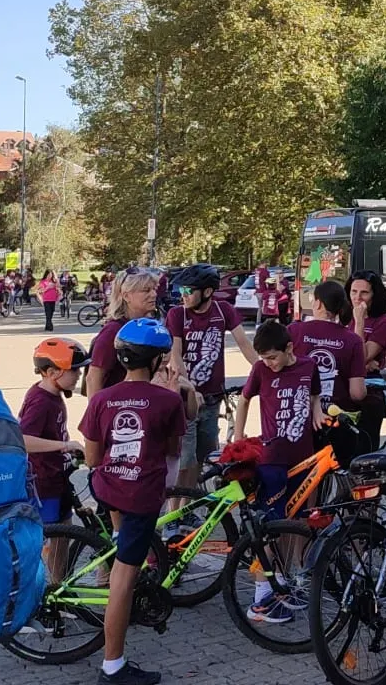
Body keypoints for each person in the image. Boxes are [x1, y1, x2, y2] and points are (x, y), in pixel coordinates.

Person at [80, 317, 191, 685]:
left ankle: (117, 537)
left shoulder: (101, 399)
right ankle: (112, 666)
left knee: (125, 552)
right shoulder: (167, 400)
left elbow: (92, 458)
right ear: (157, 359)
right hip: (142, 494)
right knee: (122, 582)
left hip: (108, 488)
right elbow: (173, 450)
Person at [232, 319, 318, 626]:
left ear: (289, 348)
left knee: (295, 523)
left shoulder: (308, 367)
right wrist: (238, 436)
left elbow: (314, 394)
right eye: (264, 358)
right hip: (272, 460)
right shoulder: (261, 370)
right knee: (269, 527)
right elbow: (244, 400)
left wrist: (318, 410)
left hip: (303, 458)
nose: (268, 363)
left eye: (272, 357)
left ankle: (282, 583)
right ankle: (261, 596)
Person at [166, 263, 259, 493]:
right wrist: (190, 388)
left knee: (203, 457)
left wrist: (263, 373)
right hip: (186, 399)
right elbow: (175, 356)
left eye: (188, 290)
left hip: (213, 398)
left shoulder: (223, 310)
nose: (183, 295)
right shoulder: (177, 314)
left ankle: (188, 501)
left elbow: (244, 343)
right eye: (181, 290)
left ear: (207, 292)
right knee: (185, 460)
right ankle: (173, 507)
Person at [19, 337, 89, 582]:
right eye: (74, 370)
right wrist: (63, 446)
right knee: (53, 537)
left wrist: (68, 452)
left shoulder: (54, 395)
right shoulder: (40, 401)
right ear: (51, 372)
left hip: (58, 477)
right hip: (44, 483)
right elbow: (23, 439)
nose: (79, 375)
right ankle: (50, 588)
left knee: (63, 535)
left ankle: (59, 585)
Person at [288, 279, 370, 459]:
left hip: (298, 418)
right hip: (335, 422)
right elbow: (357, 393)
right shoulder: (353, 340)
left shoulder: (295, 331)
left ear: (318, 303)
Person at [89, 269, 162, 396]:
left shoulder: (149, 326)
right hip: (118, 404)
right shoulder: (113, 331)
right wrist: (96, 407)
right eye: (146, 290)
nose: (154, 294)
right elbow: (93, 378)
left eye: (154, 289)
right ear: (126, 296)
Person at [345, 270, 386, 444]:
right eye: (353, 291)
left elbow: (362, 356)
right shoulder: (344, 318)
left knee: (366, 444)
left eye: (364, 293)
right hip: (344, 388)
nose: (357, 297)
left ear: (374, 295)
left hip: (370, 391)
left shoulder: (383, 323)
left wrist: (359, 322)